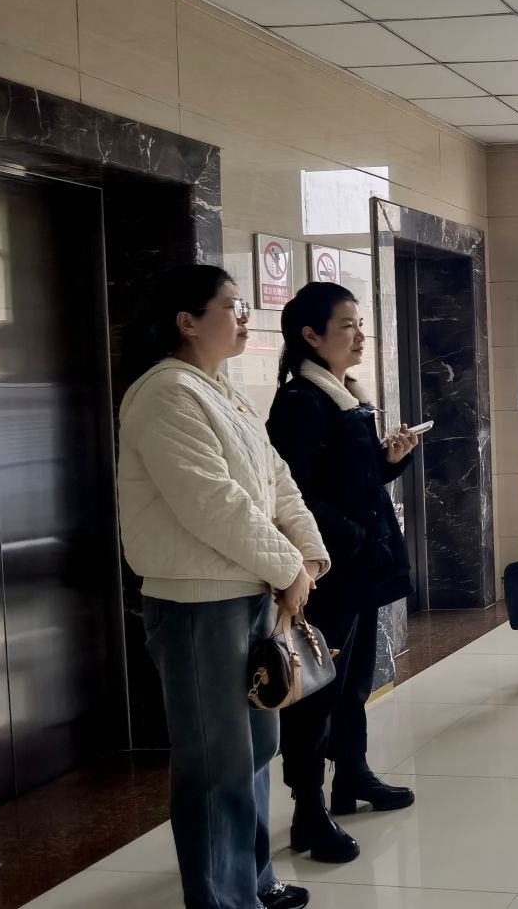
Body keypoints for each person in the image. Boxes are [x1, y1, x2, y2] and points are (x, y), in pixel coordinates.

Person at [116, 265, 327, 909]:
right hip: (197, 602)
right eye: (231, 306)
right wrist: (288, 568)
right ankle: (222, 899)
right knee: (217, 760)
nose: (243, 317)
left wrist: (308, 553)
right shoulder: (165, 393)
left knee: (255, 746)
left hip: (246, 590)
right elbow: (213, 503)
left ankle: (252, 882)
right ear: (187, 321)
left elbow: (276, 479)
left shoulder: (219, 389)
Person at [265, 282, 422, 865]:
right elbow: (294, 493)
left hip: (361, 564)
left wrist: (388, 462)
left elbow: (350, 481)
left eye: (360, 324)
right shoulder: (301, 402)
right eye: (347, 326)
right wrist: (355, 537)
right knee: (317, 692)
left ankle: (351, 775)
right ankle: (308, 808)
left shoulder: (346, 394)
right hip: (331, 569)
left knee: (354, 681)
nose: (359, 336)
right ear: (311, 336)